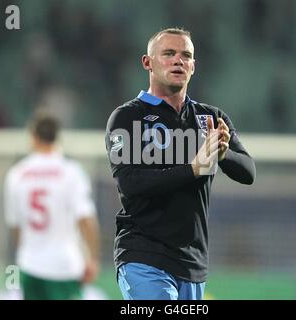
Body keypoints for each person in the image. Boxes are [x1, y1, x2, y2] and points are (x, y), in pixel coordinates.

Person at [105, 27, 256, 300]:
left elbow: (248, 172)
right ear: (147, 62)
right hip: (143, 255)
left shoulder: (210, 117)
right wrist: (192, 169)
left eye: (186, 55)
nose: (178, 60)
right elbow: (129, 184)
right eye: (169, 53)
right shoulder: (127, 118)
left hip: (193, 265)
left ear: (193, 66)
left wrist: (223, 154)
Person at [4, 113, 100, 300]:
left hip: (29, 266)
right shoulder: (71, 172)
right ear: (57, 137)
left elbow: (15, 227)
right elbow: (86, 220)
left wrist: (27, 252)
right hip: (63, 267)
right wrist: (92, 258)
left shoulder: (16, 174)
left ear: (33, 137)